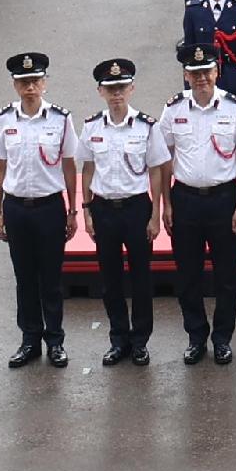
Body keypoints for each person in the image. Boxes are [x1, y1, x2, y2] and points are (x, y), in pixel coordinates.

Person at [150, 47, 236, 365]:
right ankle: (196, 336)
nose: (201, 79)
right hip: (185, 200)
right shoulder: (173, 110)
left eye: (206, 72)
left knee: (227, 277)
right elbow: (163, 158)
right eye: (194, 73)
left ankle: (222, 338)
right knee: (188, 276)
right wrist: (167, 203)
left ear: (216, 72)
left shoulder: (235, 107)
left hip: (224, 199)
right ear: (186, 75)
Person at [0, 52, 77, 369]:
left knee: (51, 279)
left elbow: (69, 166)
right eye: (24, 82)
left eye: (35, 81)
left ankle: (55, 341)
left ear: (45, 83)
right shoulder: (4, 120)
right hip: (17, 208)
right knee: (24, 277)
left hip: (49, 207)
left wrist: (73, 211)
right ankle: (30, 340)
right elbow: (0, 167)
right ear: (15, 85)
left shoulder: (60, 119)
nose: (30, 88)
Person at [75, 56, 161, 365]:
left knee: (141, 278)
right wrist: (85, 210)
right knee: (110, 279)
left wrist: (155, 215)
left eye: (122, 87)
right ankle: (118, 339)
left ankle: (140, 341)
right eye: (111, 89)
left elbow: (156, 171)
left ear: (132, 88)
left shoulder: (146, 126)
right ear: (100, 92)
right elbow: (87, 169)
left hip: (137, 208)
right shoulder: (92, 127)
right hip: (104, 209)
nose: (117, 94)